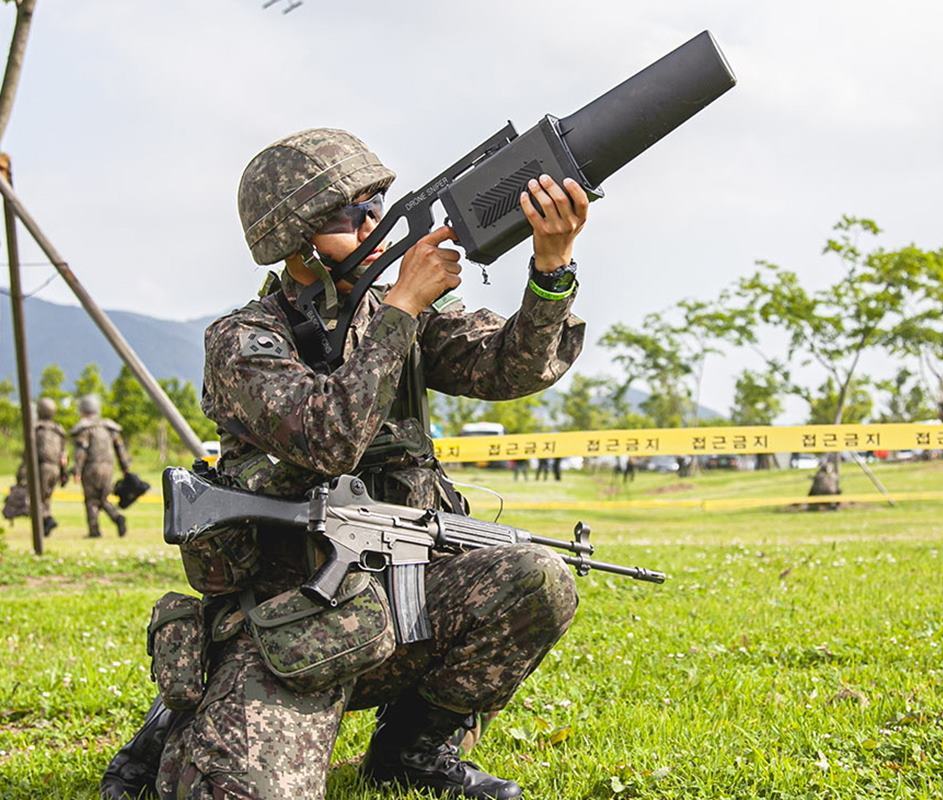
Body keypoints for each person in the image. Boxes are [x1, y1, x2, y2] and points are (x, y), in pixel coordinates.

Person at [101, 128, 589, 800]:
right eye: (353, 216)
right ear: (296, 241)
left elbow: (511, 367)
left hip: (398, 603)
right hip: (290, 625)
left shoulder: (395, 316)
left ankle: (413, 753)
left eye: (377, 207)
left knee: (537, 577)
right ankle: (184, 718)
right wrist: (402, 307)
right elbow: (326, 440)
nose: (374, 228)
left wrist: (551, 270)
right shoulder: (245, 340)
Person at [71, 394, 129, 538]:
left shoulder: (85, 429)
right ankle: (117, 517)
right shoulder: (109, 428)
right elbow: (120, 449)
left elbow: (81, 452)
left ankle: (94, 530)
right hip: (109, 468)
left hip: (91, 468)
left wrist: (77, 471)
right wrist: (125, 467)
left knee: (91, 499)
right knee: (103, 498)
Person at [14, 397, 68, 535]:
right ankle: (45, 528)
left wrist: (21, 472)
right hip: (55, 469)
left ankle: (48, 520)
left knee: (35, 498)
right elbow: (63, 455)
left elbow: (29, 452)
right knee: (46, 498)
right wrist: (63, 473)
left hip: (42, 467)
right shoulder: (59, 430)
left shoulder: (36, 429)